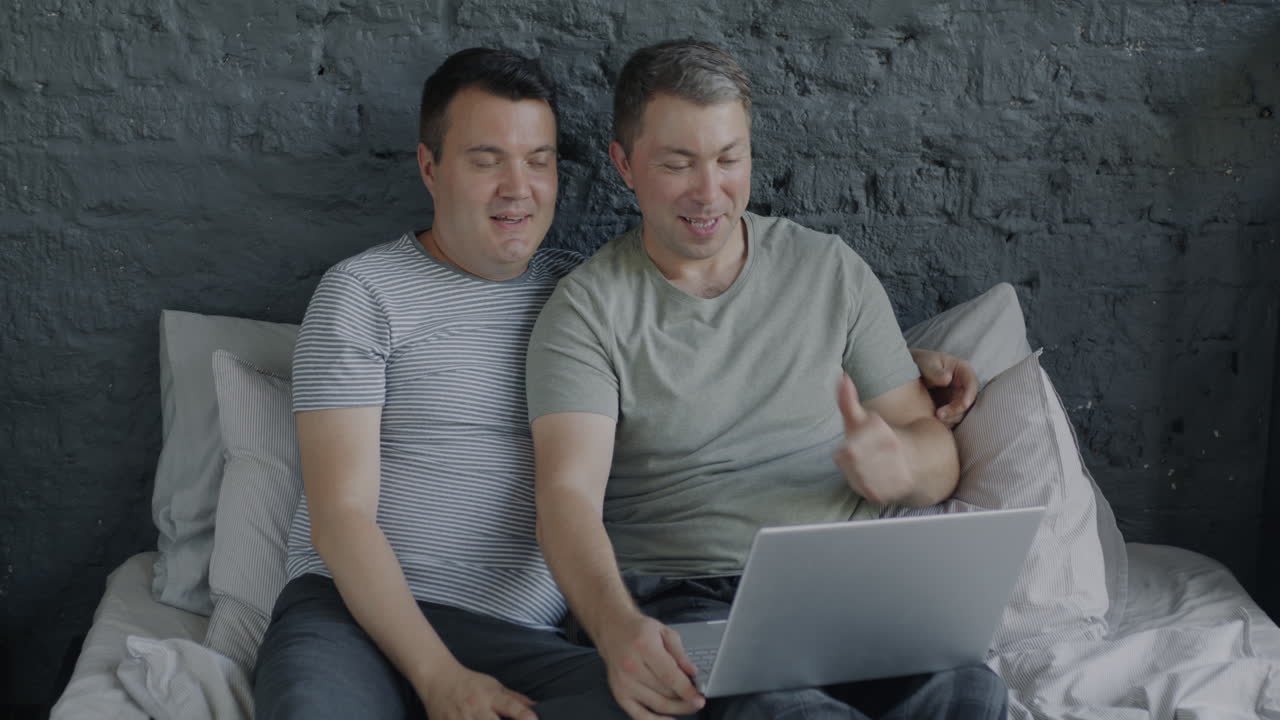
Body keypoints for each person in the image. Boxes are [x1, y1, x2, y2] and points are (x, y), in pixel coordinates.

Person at [254, 45, 977, 720]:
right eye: (486, 160)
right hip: (356, 614)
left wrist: (908, 388)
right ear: (428, 166)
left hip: (521, 633)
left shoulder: (567, 283)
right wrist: (439, 676)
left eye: (538, 161)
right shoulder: (366, 293)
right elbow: (342, 519)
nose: (518, 188)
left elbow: (703, 335)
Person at [526, 40, 1006, 720]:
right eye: (678, 163)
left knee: (970, 688)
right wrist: (613, 627)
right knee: (785, 710)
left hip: (843, 585)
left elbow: (933, 452)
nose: (709, 191)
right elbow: (566, 500)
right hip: (682, 596)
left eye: (729, 159)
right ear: (624, 165)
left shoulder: (829, 271)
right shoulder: (586, 310)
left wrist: (901, 466)